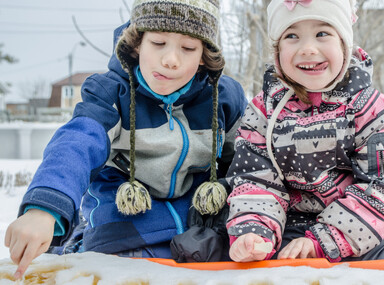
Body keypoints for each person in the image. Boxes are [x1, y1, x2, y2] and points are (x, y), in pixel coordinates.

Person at [5, 0, 247, 279]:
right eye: (158, 43)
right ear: (136, 44)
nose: (171, 59)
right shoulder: (110, 95)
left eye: (188, 48)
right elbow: (77, 144)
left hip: (201, 229)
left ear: (204, 55)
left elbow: (247, 162)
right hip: (125, 230)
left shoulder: (224, 98)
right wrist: (45, 208)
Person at [226, 0, 384, 262]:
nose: (308, 48)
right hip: (293, 220)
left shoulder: (372, 110)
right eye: (292, 36)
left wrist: (325, 240)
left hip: (366, 221)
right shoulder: (263, 111)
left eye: (322, 34)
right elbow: (255, 179)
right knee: (248, 253)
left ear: (344, 45)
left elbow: (381, 185)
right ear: (277, 50)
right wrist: (256, 232)